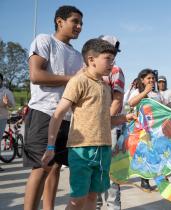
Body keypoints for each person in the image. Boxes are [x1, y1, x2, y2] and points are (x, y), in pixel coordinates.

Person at [41, 38, 134, 210]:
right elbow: (58, 113)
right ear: (91, 59)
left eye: (113, 60)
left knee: (92, 197)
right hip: (81, 149)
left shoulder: (106, 87)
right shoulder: (79, 81)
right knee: (77, 199)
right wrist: (50, 146)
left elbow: (105, 120)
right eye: (108, 59)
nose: (112, 64)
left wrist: (124, 118)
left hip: (104, 149)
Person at [23, 6, 84, 210]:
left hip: (66, 118)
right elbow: (36, 75)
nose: (79, 26)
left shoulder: (77, 55)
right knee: (42, 167)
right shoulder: (44, 40)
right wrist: (72, 79)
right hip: (44, 112)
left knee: (56, 167)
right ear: (60, 21)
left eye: (81, 23)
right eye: (75, 21)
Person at [96, 35, 125, 210]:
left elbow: (117, 101)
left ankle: (113, 206)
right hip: (91, 128)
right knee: (95, 170)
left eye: (113, 50)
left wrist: (104, 122)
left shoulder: (115, 71)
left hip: (110, 127)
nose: (110, 53)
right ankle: (96, 205)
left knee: (110, 170)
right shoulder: (88, 69)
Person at [128, 68, 163, 192]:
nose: (152, 80)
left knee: (158, 155)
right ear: (142, 80)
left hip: (156, 129)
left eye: (153, 78)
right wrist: (145, 92)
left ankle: (160, 181)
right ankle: (145, 181)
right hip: (141, 130)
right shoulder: (137, 91)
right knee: (145, 155)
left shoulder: (157, 94)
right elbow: (131, 103)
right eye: (149, 78)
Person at [0, 73, 16, 173]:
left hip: (1, 118)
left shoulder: (6, 92)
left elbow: (12, 106)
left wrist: (7, 103)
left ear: (1, 80)